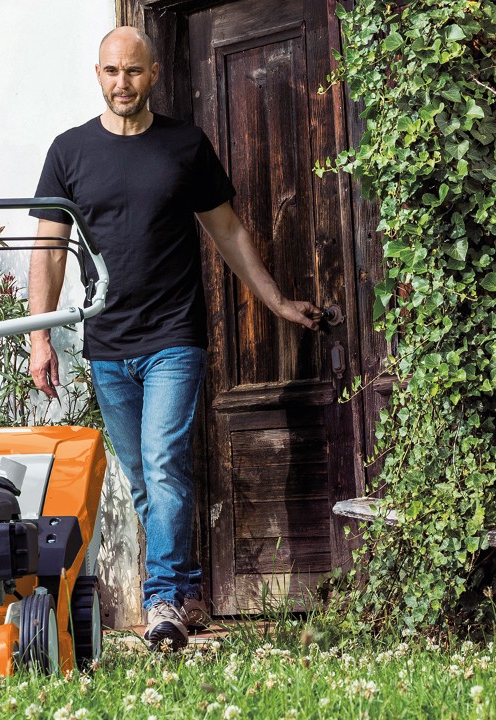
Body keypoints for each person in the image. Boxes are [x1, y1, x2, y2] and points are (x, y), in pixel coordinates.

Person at [27, 26, 319, 652]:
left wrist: (275, 300)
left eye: (133, 72)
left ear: (153, 74)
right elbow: (48, 251)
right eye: (110, 71)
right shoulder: (68, 151)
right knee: (142, 480)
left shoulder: (184, 145)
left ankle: (161, 601)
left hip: (173, 337)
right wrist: (39, 338)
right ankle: (187, 588)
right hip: (106, 342)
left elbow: (231, 234)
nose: (121, 84)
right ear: (97, 73)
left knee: (163, 467)